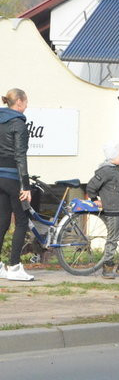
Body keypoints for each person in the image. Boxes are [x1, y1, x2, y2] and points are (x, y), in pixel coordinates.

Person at [87, 141, 119, 279]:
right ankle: (107, 268)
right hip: (113, 212)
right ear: (112, 157)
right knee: (112, 240)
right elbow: (91, 186)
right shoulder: (105, 171)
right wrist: (94, 199)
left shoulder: (116, 169)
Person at [0, 88, 35, 281]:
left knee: (3, 220)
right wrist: (26, 186)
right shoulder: (18, 124)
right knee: (22, 221)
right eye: (26, 101)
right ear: (19, 102)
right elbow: (20, 156)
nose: (27, 105)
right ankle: (14, 267)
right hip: (13, 177)